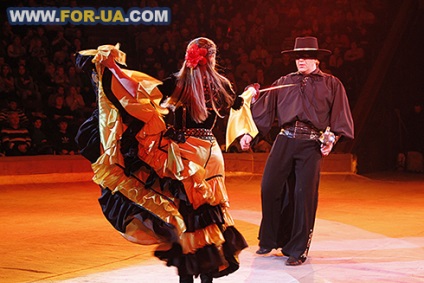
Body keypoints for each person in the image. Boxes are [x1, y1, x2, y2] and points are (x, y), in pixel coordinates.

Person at [75, 38, 247, 283]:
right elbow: (237, 102)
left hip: (186, 155)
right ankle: (208, 274)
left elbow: (136, 91)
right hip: (213, 156)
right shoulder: (224, 85)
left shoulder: (179, 82)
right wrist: (249, 93)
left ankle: (187, 277)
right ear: (213, 58)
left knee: (186, 217)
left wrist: (113, 69)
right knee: (211, 214)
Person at [239, 37, 354, 266]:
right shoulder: (284, 81)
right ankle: (270, 239)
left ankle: (298, 249)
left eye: (306, 56)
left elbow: (339, 116)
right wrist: (249, 134)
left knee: (303, 196)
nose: (300, 60)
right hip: (284, 140)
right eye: (297, 56)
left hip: (311, 144)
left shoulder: (332, 84)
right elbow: (264, 110)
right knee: (269, 187)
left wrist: (332, 138)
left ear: (316, 58)